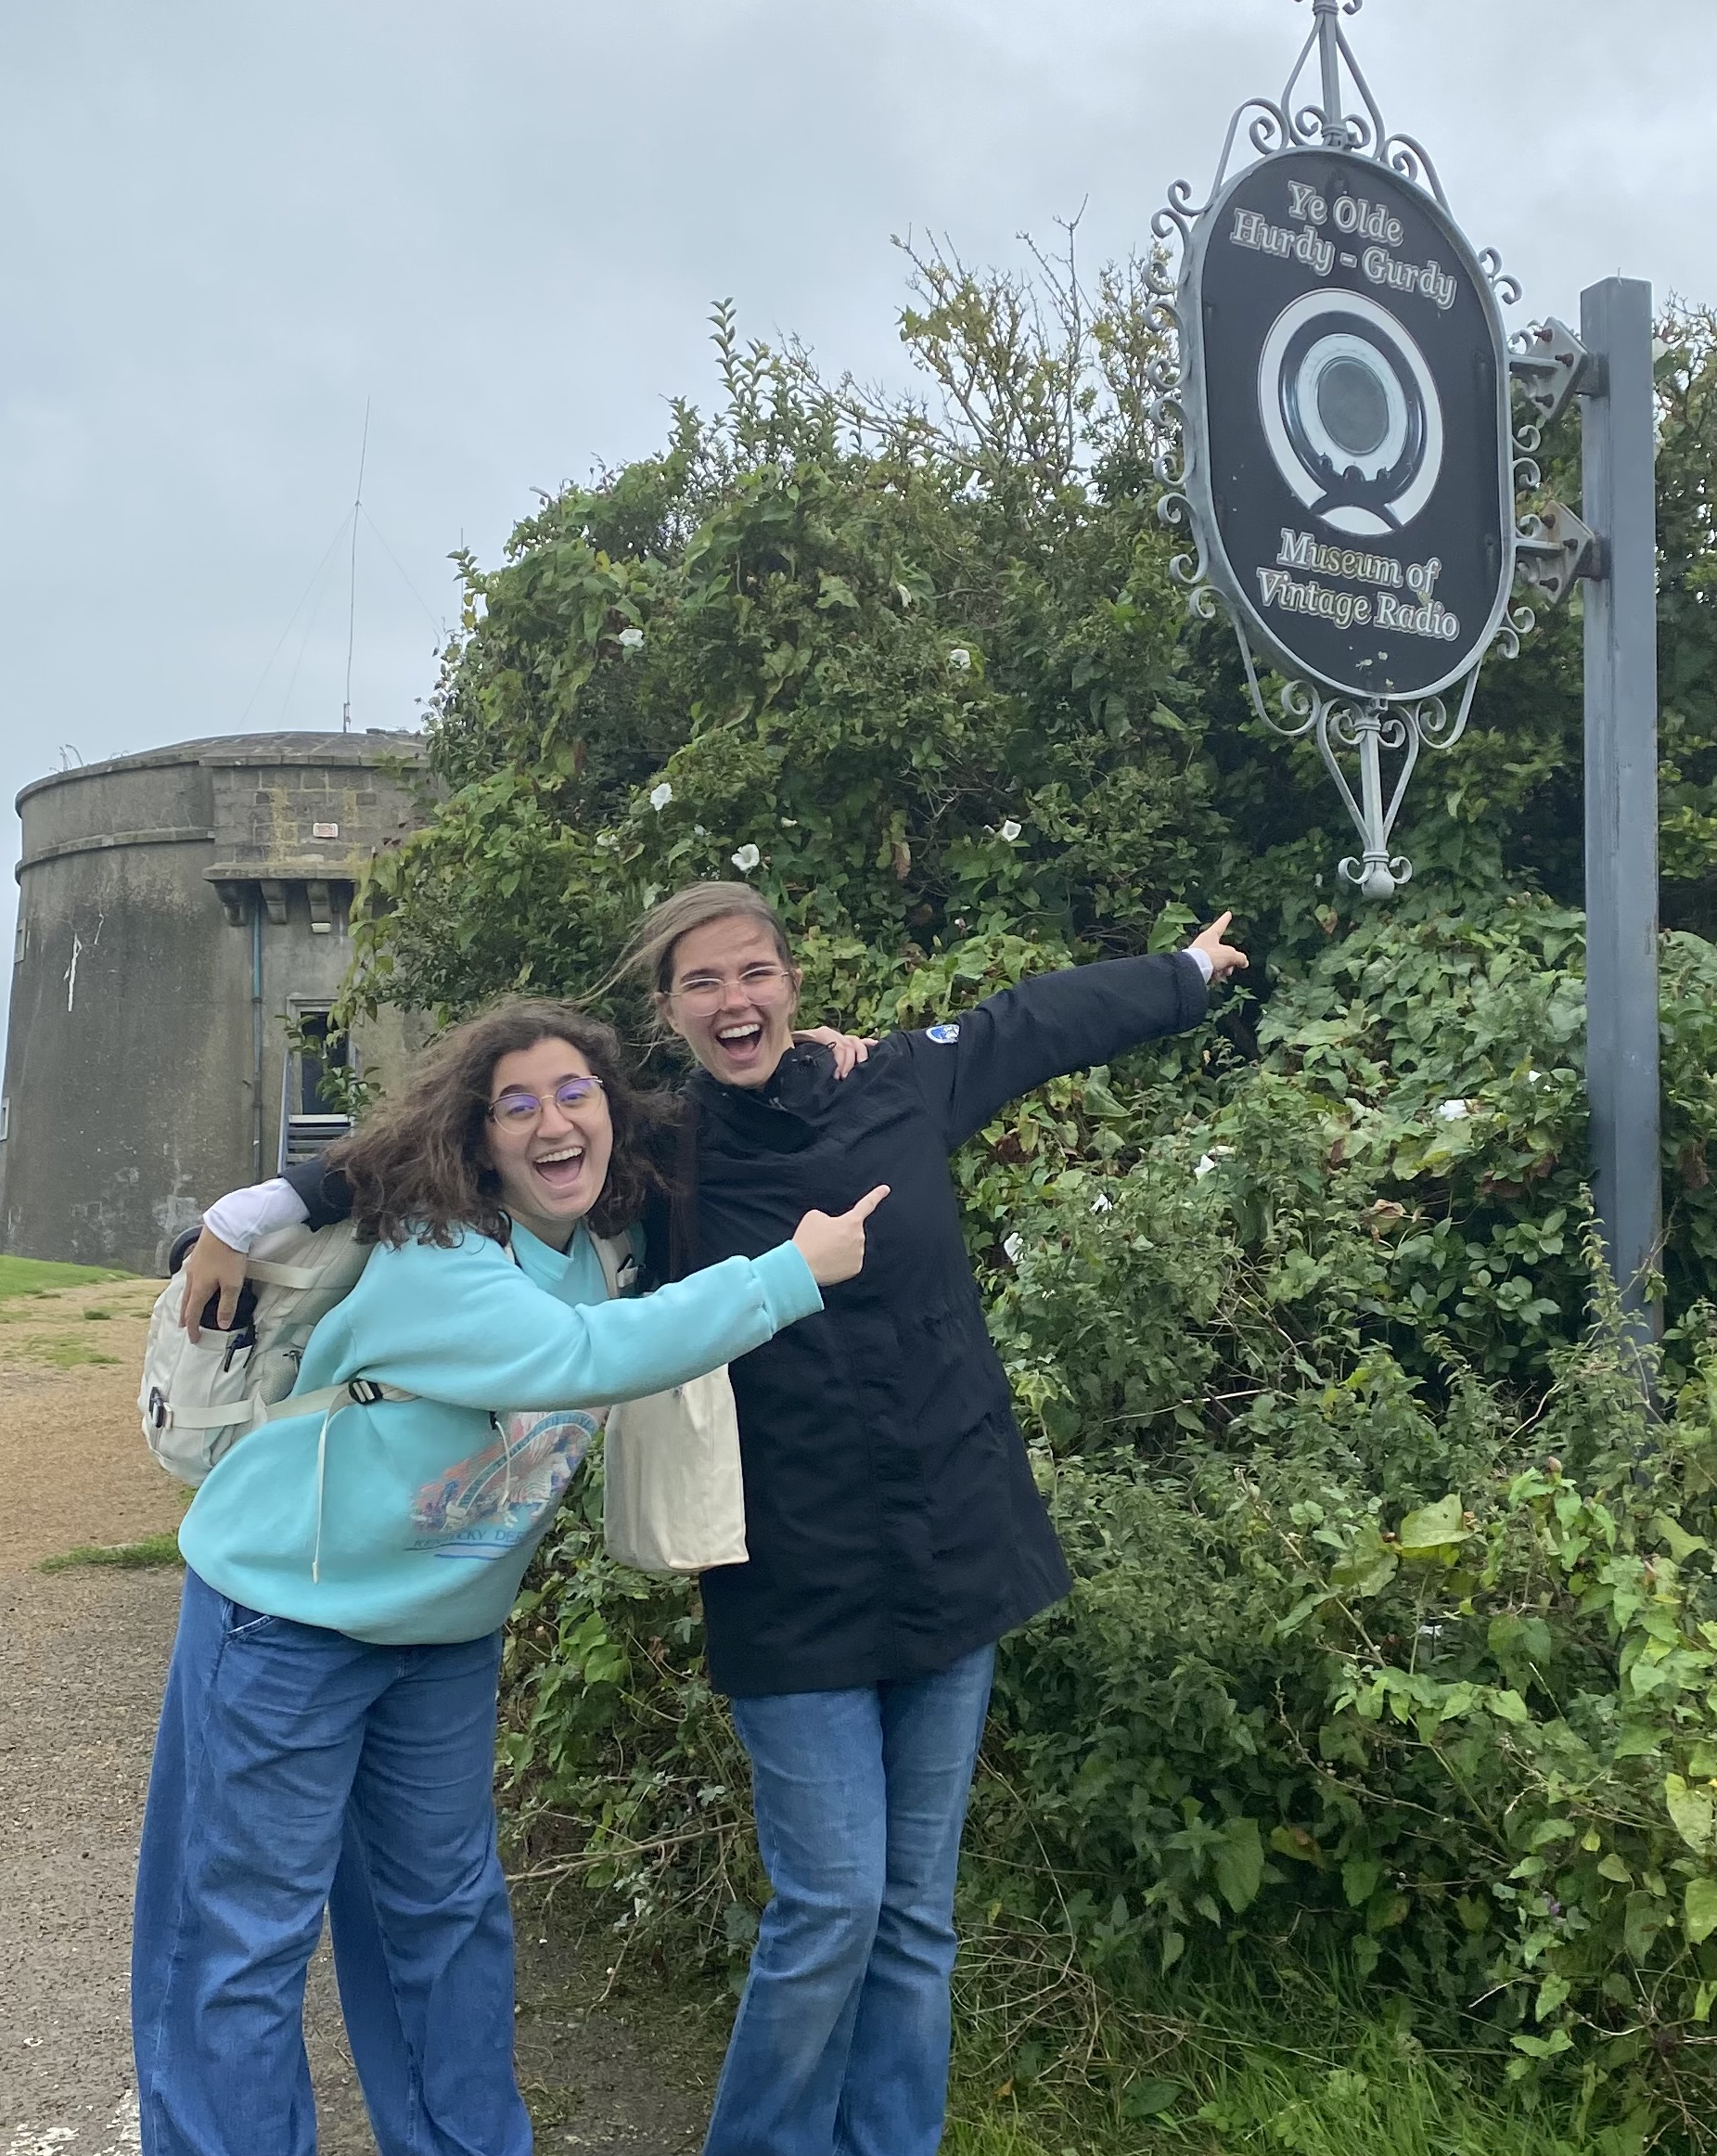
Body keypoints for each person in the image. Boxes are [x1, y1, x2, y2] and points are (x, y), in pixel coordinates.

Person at [184, 889, 1249, 2156]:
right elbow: (469, 1138)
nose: (733, 999)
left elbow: (1031, 1023)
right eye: (702, 981)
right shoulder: (662, 1153)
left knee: (914, 1915)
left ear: (792, 982)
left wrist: (1183, 975)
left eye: (754, 972)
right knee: (833, 1904)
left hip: (954, 1543)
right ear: (669, 1010)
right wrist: (263, 1206)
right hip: (791, 1573)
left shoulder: (895, 1081)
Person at [138, 996, 886, 2156]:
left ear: (612, 1115)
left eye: (575, 1094)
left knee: (445, 1922)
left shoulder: (609, 1248)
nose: (553, 1122)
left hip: (442, 1637)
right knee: (241, 1934)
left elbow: (727, 1128)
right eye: (517, 1104)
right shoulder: (437, 1258)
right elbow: (578, 1356)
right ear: (478, 1139)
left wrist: (812, 1059)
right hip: (284, 1619)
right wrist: (789, 1274)